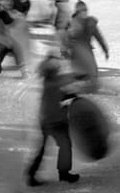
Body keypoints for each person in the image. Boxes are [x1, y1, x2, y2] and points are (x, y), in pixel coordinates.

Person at [25, 53, 80, 186]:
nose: (58, 70)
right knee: (65, 146)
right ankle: (63, 173)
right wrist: (80, 76)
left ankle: (32, 174)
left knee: (47, 148)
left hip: (47, 119)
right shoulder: (54, 82)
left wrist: (69, 96)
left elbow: (59, 94)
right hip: (54, 121)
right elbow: (66, 80)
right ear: (52, 71)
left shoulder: (49, 82)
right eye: (56, 69)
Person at [65, 1, 109, 92]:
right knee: (78, 68)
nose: (84, 13)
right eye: (81, 11)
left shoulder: (90, 23)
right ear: (77, 12)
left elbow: (98, 37)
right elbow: (67, 37)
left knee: (92, 68)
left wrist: (105, 49)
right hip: (76, 50)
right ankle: (79, 84)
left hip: (87, 49)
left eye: (85, 11)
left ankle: (92, 85)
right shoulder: (73, 23)